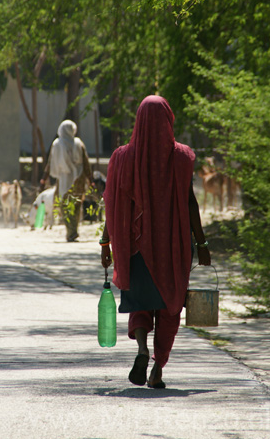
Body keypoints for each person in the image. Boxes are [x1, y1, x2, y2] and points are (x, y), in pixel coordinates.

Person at [100, 95, 211, 388]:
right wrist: (202, 244)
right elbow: (190, 204)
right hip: (172, 248)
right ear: (168, 120)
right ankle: (158, 368)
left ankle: (141, 349)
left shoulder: (121, 158)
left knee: (139, 303)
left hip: (136, 250)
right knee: (169, 307)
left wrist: (105, 243)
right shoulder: (181, 158)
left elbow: (111, 203)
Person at [40, 120, 93, 242]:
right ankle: (73, 231)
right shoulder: (79, 144)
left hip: (64, 179)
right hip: (79, 178)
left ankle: (71, 232)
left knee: (65, 206)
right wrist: (90, 179)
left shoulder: (57, 144)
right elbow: (86, 163)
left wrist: (43, 179)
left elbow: (50, 163)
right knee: (76, 205)